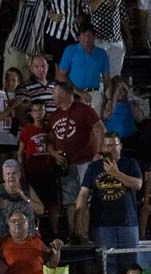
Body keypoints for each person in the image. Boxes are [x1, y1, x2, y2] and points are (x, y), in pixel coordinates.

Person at [74, 131, 142, 274]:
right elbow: (84, 193)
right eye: (106, 145)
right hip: (102, 224)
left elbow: (137, 184)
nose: (109, 149)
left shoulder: (130, 163)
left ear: (120, 146)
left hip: (127, 223)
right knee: (106, 266)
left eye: (113, 145)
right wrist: (79, 216)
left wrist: (115, 173)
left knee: (130, 266)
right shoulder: (94, 167)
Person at [48, 81, 104, 239]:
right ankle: (74, 236)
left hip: (84, 163)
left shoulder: (84, 110)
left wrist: (98, 153)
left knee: (84, 199)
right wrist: (54, 154)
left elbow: (100, 128)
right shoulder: (55, 115)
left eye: (54, 92)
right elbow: (50, 140)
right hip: (66, 165)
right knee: (70, 202)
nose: (52, 95)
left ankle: (84, 235)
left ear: (64, 94)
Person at [0, 210, 63, 274]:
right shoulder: (0, 244)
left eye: (22, 221)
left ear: (28, 223)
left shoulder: (37, 242)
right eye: (14, 221)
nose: (18, 223)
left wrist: (57, 251)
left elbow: (51, 264)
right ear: (8, 224)